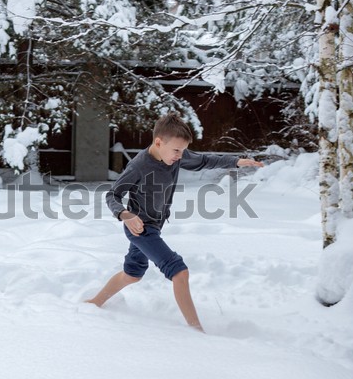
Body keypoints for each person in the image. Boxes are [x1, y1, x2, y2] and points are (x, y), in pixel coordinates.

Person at [86, 113, 264, 332]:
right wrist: (126, 215)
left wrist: (235, 161)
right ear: (159, 142)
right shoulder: (139, 166)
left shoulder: (174, 154)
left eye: (182, 151)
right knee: (179, 272)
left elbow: (203, 161)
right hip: (140, 228)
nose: (180, 156)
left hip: (154, 226)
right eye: (177, 151)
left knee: (132, 274)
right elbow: (112, 195)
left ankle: (94, 303)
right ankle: (196, 330)